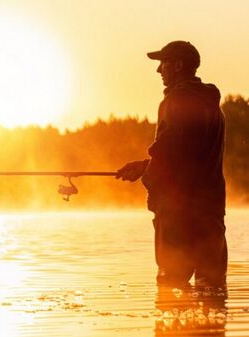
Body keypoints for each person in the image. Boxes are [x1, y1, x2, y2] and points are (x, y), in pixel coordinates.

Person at [116, 41, 227, 288]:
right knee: (213, 290)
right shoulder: (213, 107)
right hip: (211, 212)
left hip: (178, 214)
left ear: (177, 65)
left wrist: (148, 174)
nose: (159, 70)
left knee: (170, 287)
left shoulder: (173, 101)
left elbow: (168, 155)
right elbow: (188, 156)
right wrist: (146, 165)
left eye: (163, 63)